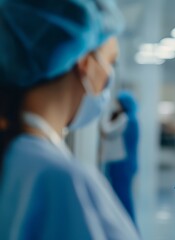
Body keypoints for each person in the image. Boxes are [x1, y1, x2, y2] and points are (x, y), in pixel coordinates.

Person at [0, 0, 140, 239]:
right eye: (110, 61)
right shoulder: (61, 180)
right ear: (85, 63)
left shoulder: (17, 157)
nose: (109, 75)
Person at [100, 90, 139, 225]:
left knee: (122, 197)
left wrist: (105, 114)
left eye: (117, 102)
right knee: (123, 195)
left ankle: (128, 227)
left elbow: (106, 131)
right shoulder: (132, 119)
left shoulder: (124, 118)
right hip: (125, 163)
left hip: (120, 164)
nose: (114, 104)